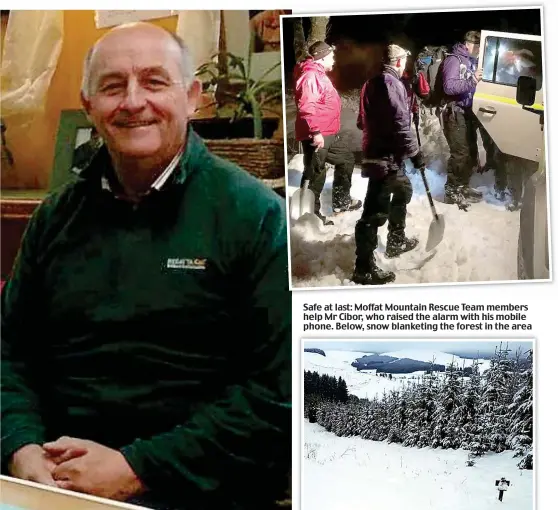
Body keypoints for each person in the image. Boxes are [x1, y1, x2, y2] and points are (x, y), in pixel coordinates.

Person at [1, 22, 291, 510]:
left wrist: (139, 467)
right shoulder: (55, 217)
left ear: (192, 97)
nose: (133, 101)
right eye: (113, 86)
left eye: (154, 82)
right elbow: (9, 353)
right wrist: (18, 447)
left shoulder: (256, 216)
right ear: (89, 104)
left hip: (195, 487)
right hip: (48, 483)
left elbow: (278, 393)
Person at [352, 44, 423, 286]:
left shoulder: (372, 83)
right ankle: (363, 268)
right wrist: (414, 153)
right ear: (399, 61)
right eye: (404, 59)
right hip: (383, 157)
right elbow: (400, 123)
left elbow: (362, 120)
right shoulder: (390, 84)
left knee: (403, 190)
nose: (405, 64)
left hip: (386, 154)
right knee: (374, 212)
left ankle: (396, 240)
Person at [294, 40, 361, 225]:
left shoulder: (319, 74)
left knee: (346, 159)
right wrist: (315, 132)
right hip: (317, 134)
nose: (334, 59)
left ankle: (341, 202)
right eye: (331, 56)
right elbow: (307, 106)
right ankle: (310, 217)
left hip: (328, 133)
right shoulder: (310, 76)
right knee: (316, 173)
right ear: (322, 58)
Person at [440, 30, 486, 208]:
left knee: (471, 153)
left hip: (467, 112)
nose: (480, 49)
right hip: (455, 112)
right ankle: (451, 190)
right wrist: (473, 80)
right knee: (460, 154)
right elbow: (449, 87)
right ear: (469, 44)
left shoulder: (471, 61)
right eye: (478, 45)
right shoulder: (454, 60)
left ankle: (462, 186)